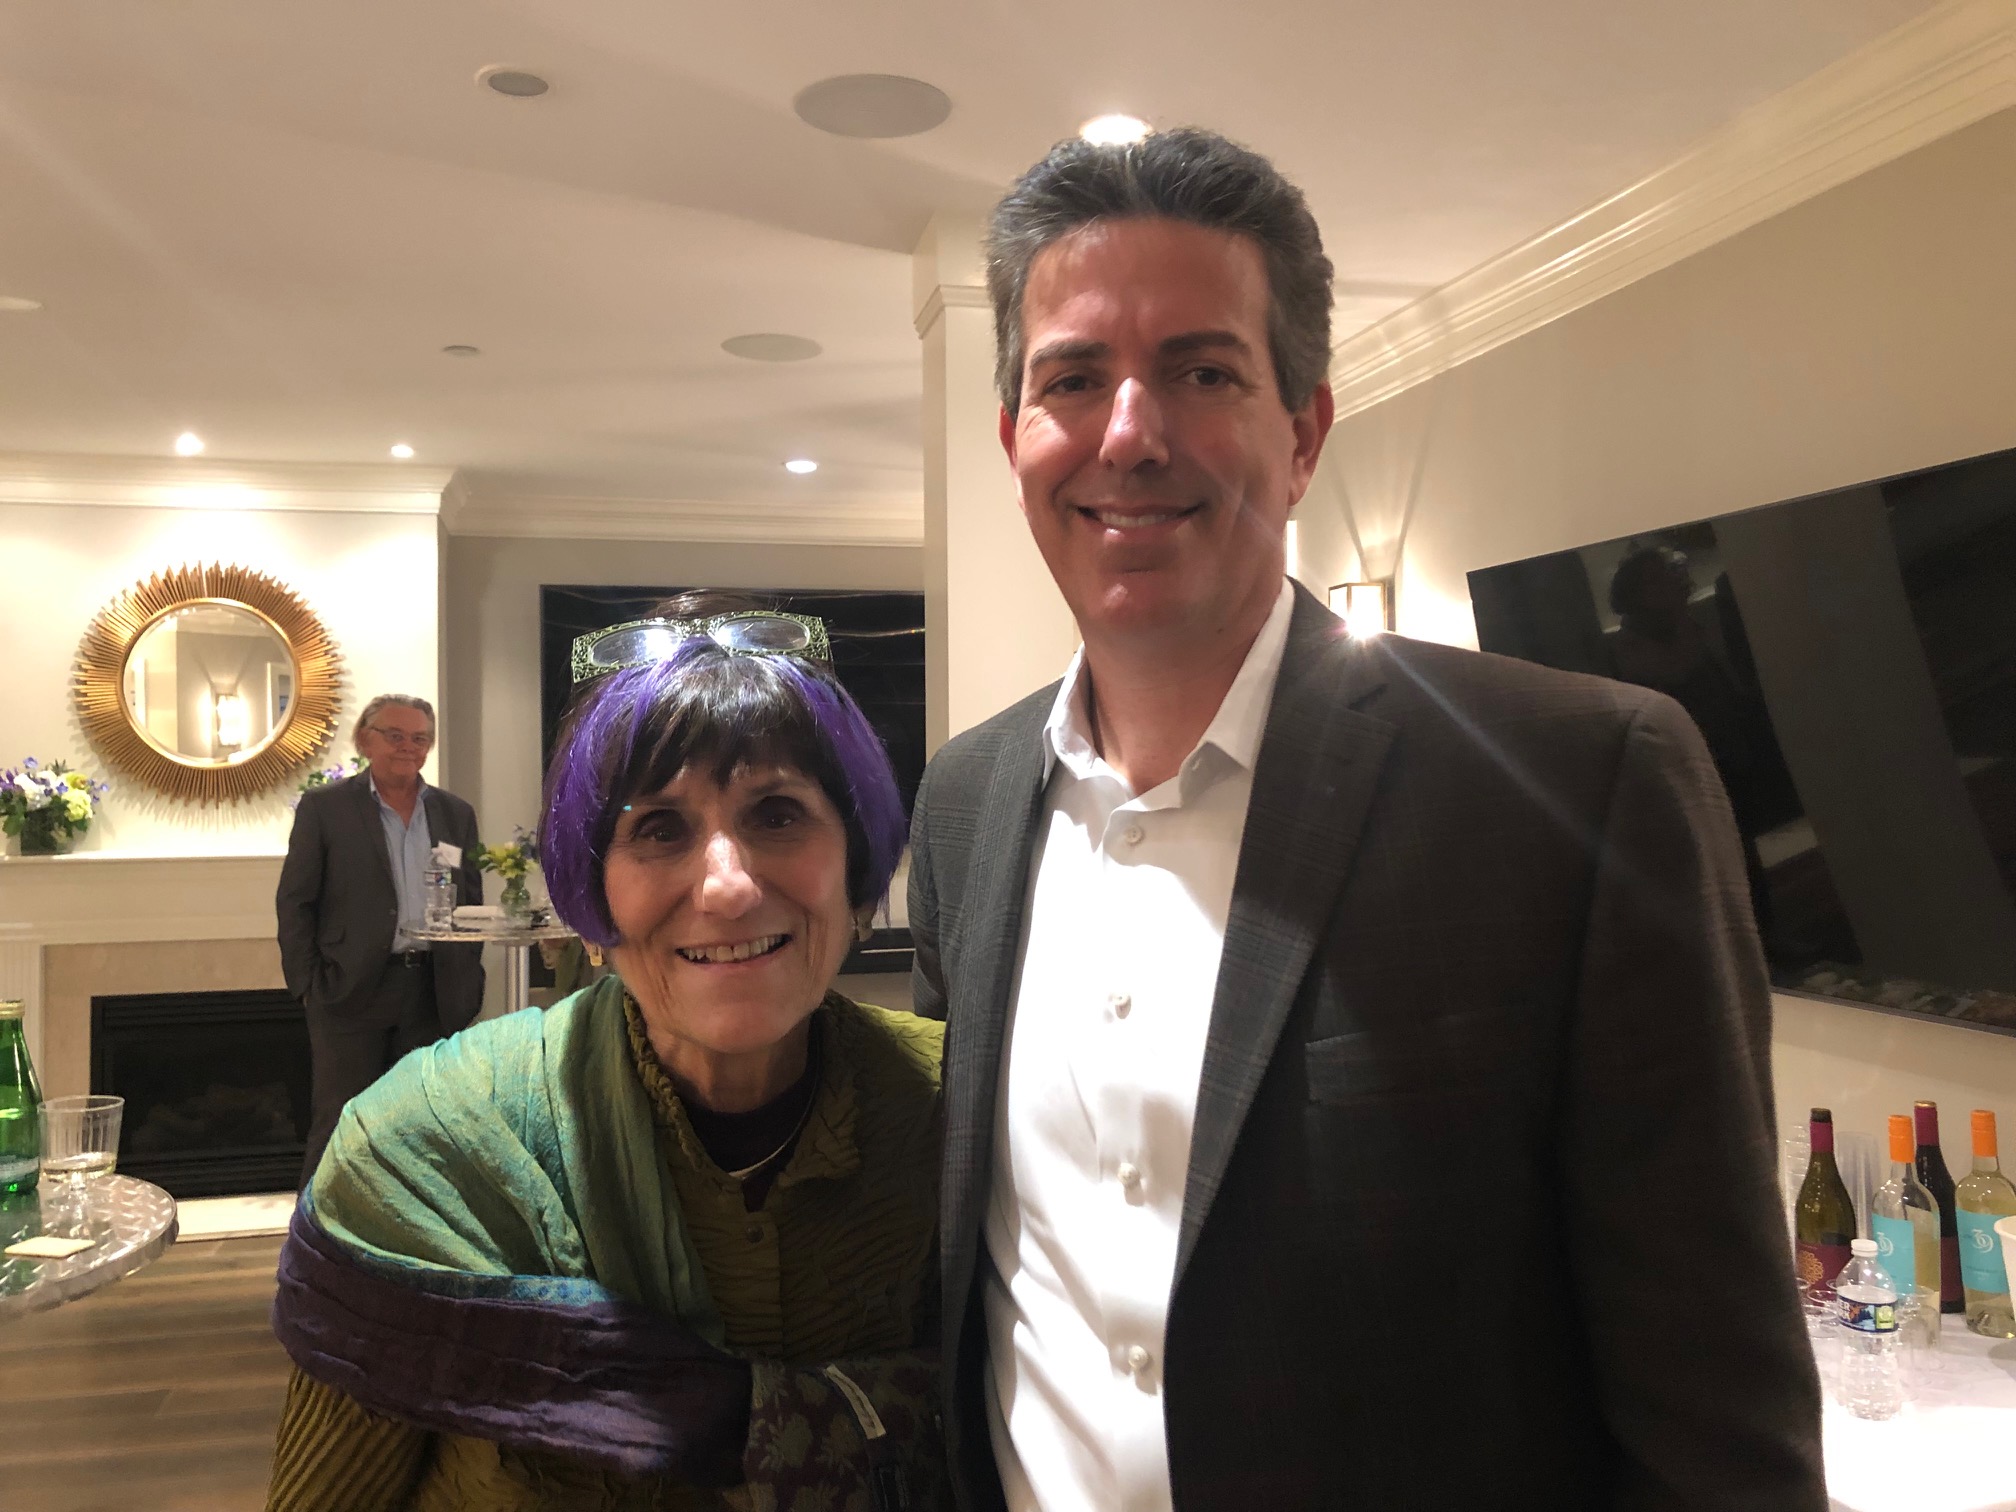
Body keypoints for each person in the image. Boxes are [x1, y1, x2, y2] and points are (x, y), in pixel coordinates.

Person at [907, 129, 1827, 1510]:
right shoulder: (965, 806)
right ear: (1012, 439)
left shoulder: (1582, 785)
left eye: (1203, 372)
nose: (1130, 434)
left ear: (1302, 433)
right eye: (1073, 379)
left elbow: (1719, 1436)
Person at [265, 597, 948, 1511]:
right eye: (659, 829)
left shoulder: (966, 1116)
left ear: (858, 869)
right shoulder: (424, 1149)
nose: (728, 887)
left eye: (778, 814)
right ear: (592, 898)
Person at [276, 693, 483, 1183]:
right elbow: (295, 902)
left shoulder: (455, 813)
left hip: (433, 993)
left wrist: (466, 979)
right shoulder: (326, 808)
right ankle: (318, 1229)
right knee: (339, 1125)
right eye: (395, 736)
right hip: (351, 991)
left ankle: (407, 1225)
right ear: (365, 740)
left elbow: (469, 901)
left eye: (420, 738)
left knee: (422, 1126)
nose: (408, 747)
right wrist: (308, 986)